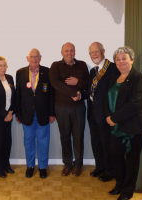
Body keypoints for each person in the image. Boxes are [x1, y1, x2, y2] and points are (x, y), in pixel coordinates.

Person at [104, 46, 142, 200]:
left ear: (131, 60)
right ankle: (119, 184)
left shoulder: (139, 78)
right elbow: (108, 100)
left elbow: (135, 103)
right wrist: (108, 117)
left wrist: (114, 118)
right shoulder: (114, 78)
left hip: (134, 126)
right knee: (116, 156)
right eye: (117, 59)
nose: (120, 61)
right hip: (116, 126)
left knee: (131, 160)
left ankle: (127, 192)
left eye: (124, 58)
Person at [49, 42, 89, 177]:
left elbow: (88, 85)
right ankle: (67, 164)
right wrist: (72, 93)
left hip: (78, 108)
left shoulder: (82, 65)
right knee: (65, 137)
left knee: (78, 137)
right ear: (62, 53)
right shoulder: (55, 66)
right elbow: (55, 83)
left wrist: (77, 82)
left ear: (75, 52)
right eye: (66, 51)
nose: (69, 53)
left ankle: (78, 165)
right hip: (61, 108)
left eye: (71, 51)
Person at [16, 48, 55, 179]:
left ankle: (43, 167)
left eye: (36, 56)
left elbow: (51, 95)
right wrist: (18, 113)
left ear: (40, 58)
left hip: (43, 114)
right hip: (26, 115)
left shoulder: (48, 72)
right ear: (27, 58)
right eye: (31, 57)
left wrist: (52, 113)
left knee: (44, 141)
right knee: (28, 142)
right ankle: (30, 166)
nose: (34, 59)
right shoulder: (20, 73)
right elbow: (18, 95)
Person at [85, 42, 119, 182]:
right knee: (96, 143)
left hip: (106, 115)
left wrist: (111, 114)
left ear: (103, 51)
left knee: (106, 145)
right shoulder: (93, 71)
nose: (94, 54)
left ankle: (110, 171)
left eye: (97, 51)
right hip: (92, 114)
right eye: (92, 52)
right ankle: (100, 167)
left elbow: (115, 94)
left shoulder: (112, 68)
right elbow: (91, 91)